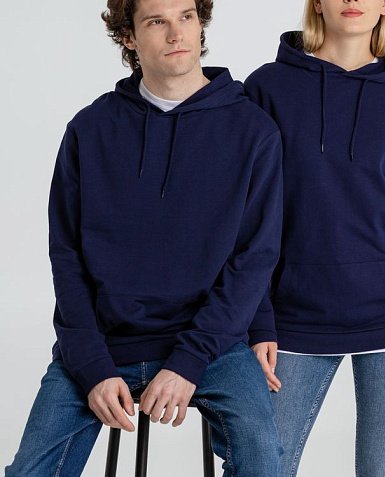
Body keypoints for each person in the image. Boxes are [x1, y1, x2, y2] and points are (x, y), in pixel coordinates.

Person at [5, 0, 284, 475]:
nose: (176, 33)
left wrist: (188, 362)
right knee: (28, 471)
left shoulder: (253, 131)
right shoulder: (89, 130)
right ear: (129, 37)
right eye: (157, 21)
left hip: (211, 345)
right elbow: (66, 258)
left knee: (263, 459)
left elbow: (253, 260)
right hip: (103, 343)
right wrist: (92, 367)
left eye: (186, 17)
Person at [245, 1, 385, 476]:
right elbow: (247, 218)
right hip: (294, 316)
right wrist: (258, 320)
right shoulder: (267, 87)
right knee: (262, 465)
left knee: (383, 470)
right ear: (317, 3)